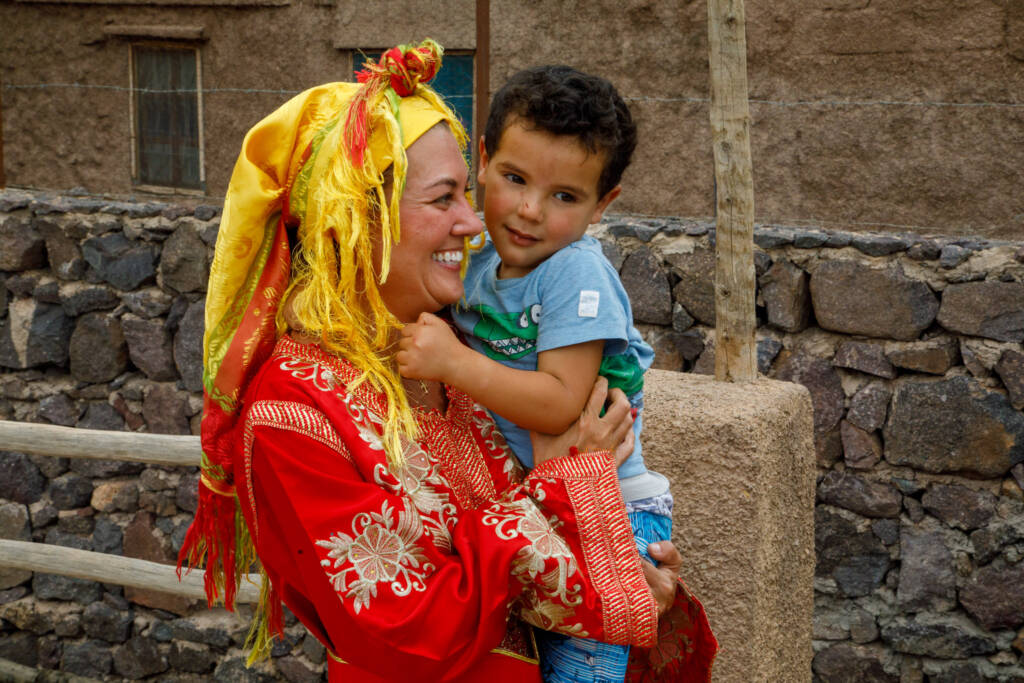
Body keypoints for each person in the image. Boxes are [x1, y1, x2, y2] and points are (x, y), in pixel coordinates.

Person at [178, 40, 716, 682]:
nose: (473, 222)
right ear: (356, 219)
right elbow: (406, 629)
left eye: (467, 193)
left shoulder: (459, 351)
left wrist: (629, 574)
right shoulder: (293, 415)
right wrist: (560, 500)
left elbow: (555, 545)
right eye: (444, 200)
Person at [397, 66, 672, 683]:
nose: (528, 211)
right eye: (514, 179)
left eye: (564, 197)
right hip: (544, 498)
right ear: (484, 161)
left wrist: (454, 364)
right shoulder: (478, 258)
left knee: (578, 674)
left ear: (604, 204)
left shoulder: (574, 271)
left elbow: (558, 405)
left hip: (608, 507)